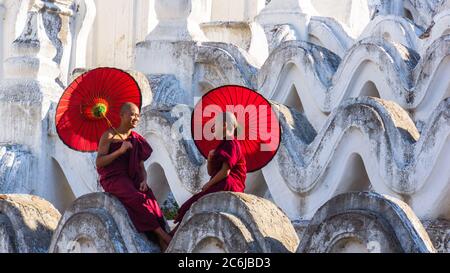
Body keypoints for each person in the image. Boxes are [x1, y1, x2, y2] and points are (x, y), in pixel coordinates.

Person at [96, 102, 172, 251]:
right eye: (132, 114)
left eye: (138, 115)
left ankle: (160, 242)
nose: (136, 118)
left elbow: (141, 167)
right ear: (122, 115)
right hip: (114, 179)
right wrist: (119, 151)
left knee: (151, 201)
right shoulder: (109, 135)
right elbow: (99, 162)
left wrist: (144, 180)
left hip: (134, 177)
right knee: (137, 198)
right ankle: (164, 237)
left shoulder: (136, 139)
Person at [170, 112, 247, 235]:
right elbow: (211, 172)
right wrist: (210, 160)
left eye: (215, 124)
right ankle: (173, 234)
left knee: (194, 203)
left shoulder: (231, 143)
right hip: (222, 182)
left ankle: (172, 235)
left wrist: (208, 184)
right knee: (192, 204)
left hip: (229, 184)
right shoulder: (222, 144)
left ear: (224, 125)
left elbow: (225, 172)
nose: (212, 128)